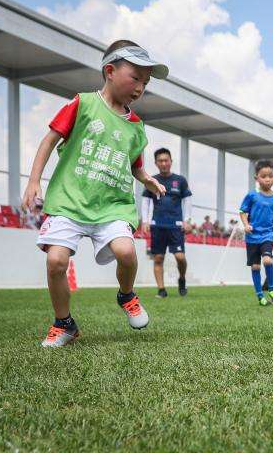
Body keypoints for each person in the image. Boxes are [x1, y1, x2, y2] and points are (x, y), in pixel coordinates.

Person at [22, 39, 168, 347]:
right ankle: (64, 324)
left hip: (112, 206)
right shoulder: (83, 104)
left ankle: (126, 295)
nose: (140, 87)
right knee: (56, 262)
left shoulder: (136, 128)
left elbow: (134, 165)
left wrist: (147, 180)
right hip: (70, 201)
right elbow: (49, 140)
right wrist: (34, 181)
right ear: (110, 71)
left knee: (127, 253)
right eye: (136, 77)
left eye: (146, 82)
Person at [140, 147, 192, 298]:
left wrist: (187, 221)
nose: (163, 163)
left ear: (171, 161)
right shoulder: (151, 180)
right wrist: (145, 221)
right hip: (158, 224)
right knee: (158, 258)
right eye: (160, 161)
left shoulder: (180, 180)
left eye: (166, 160)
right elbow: (146, 201)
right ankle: (161, 290)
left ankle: (182, 279)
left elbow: (187, 201)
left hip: (176, 225)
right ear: (156, 163)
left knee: (180, 257)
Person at [239, 159, 273, 306]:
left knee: (267, 260)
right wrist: (246, 224)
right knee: (255, 267)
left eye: (270, 176)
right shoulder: (252, 196)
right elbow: (242, 212)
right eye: (263, 176)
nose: (267, 179)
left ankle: (272, 289)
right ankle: (260, 296)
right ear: (257, 178)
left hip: (267, 236)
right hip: (252, 238)